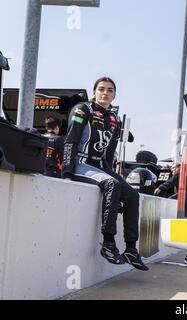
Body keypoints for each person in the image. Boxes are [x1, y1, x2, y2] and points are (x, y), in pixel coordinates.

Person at [62, 77, 148, 271]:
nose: (105, 93)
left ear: (114, 95)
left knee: (133, 195)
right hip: (80, 163)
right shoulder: (82, 110)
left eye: (110, 90)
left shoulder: (114, 118)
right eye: (101, 89)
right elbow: (71, 140)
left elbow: (109, 153)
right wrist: (67, 173)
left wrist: (110, 172)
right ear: (94, 92)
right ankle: (109, 243)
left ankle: (131, 248)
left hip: (101, 166)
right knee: (112, 184)